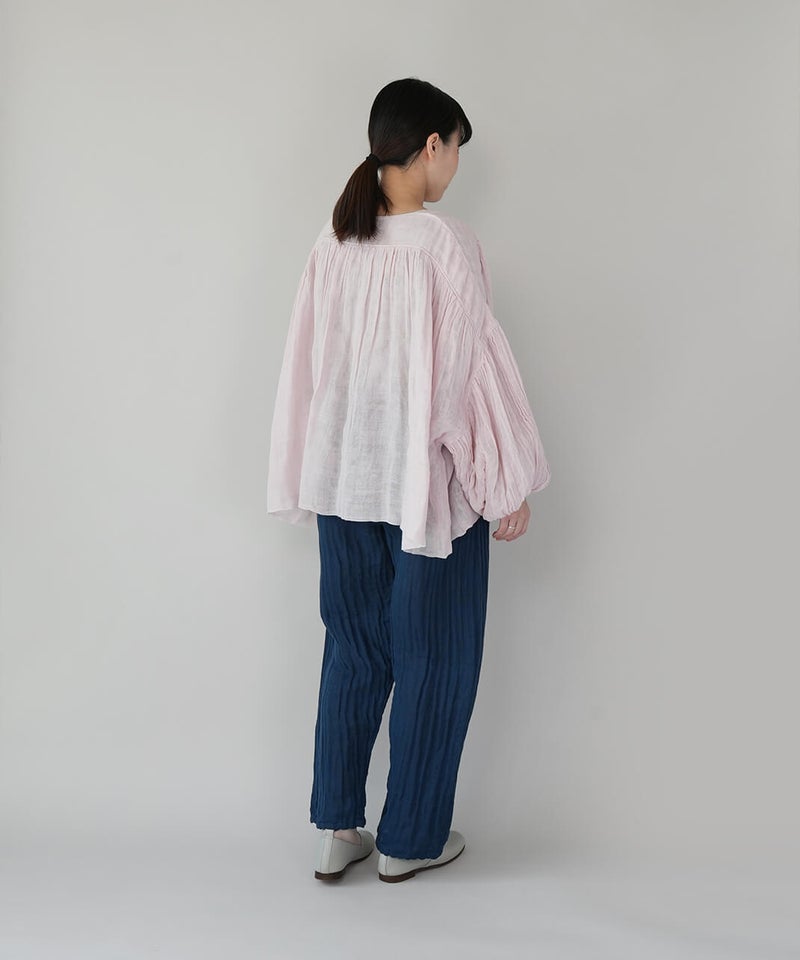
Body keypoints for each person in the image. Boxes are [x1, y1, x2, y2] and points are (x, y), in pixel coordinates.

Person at [266, 77, 551, 883]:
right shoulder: (445, 244)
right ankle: (410, 841)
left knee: (354, 652)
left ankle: (338, 828)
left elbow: (302, 369)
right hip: (426, 490)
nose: (455, 164)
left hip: (343, 483)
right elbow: (470, 377)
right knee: (436, 658)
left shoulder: (333, 242)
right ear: (431, 144)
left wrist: (302, 470)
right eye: (455, 148)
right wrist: (502, 484)